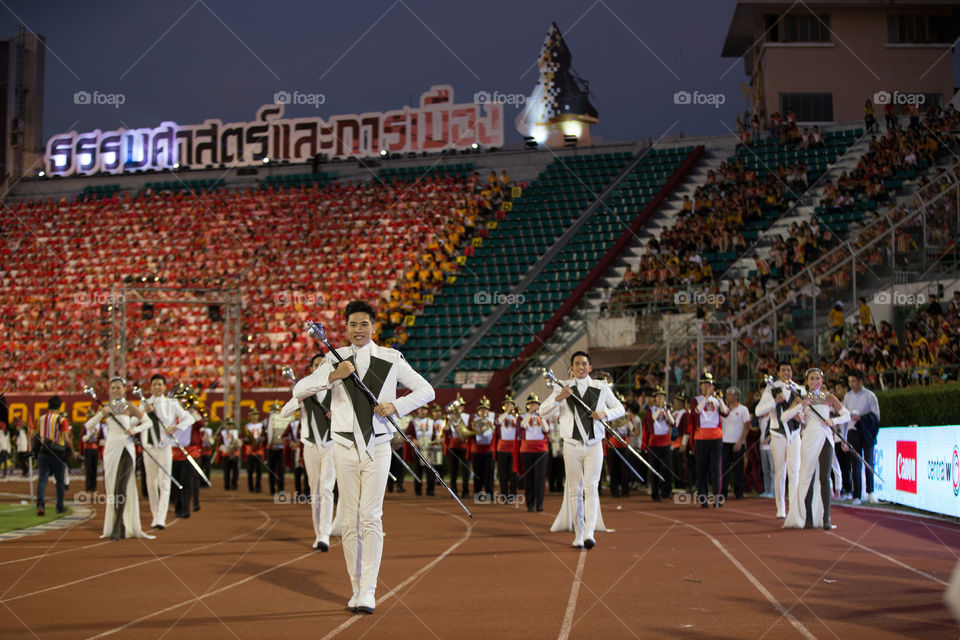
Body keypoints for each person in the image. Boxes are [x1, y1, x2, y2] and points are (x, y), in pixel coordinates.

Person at [293, 300, 434, 614]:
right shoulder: (334, 357)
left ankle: (368, 589)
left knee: (371, 516)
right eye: (353, 324)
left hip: (378, 446)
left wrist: (396, 405)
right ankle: (355, 587)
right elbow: (299, 390)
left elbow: (426, 390)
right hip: (342, 447)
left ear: (374, 326)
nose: (358, 330)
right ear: (345, 328)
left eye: (364, 324)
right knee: (348, 520)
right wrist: (333, 377)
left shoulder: (390, 357)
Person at [543, 351, 625, 549]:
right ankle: (578, 533)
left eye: (584, 364)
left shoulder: (601, 387)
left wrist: (604, 413)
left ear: (590, 368)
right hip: (571, 445)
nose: (581, 367)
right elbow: (542, 412)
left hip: (594, 445)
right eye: (577, 364)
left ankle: (589, 532)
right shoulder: (561, 387)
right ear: (571, 368)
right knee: (574, 491)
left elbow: (620, 408)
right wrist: (559, 398)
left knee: (591, 487)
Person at [284, 352, 341, 551]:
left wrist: (338, 413)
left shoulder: (337, 387)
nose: (320, 367)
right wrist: (298, 399)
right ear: (311, 369)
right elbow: (284, 413)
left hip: (331, 444)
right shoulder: (303, 388)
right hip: (310, 446)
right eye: (317, 364)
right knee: (315, 490)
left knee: (326, 488)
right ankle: (319, 533)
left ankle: (324, 534)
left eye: (324, 364)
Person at [782, 368, 850, 530]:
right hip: (809, 437)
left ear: (822, 381)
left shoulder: (829, 398)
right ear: (807, 382)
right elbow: (784, 417)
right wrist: (800, 407)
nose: (814, 381)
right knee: (807, 476)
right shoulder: (802, 398)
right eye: (811, 378)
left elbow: (846, 415)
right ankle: (808, 519)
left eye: (817, 378)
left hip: (826, 437)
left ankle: (825, 518)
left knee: (825, 477)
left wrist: (833, 422)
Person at [85, 378, 153, 539]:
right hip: (110, 450)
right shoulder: (106, 408)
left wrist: (134, 430)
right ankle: (117, 525)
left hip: (126, 449)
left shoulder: (129, 406)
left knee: (120, 488)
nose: (116, 390)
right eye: (113, 388)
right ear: (110, 390)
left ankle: (118, 527)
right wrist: (101, 414)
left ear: (124, 390)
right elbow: (88, 426)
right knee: (111, 488)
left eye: (119, 387)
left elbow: (148, 422)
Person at [139, 374, 195, 529]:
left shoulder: (172, 403)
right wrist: (144, 412)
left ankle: (160, 518)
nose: (157, 387)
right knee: (151, 483)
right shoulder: (143, 403)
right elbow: (134, 421)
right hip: (149, 448)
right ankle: (154, 514)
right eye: (154, 384)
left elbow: (189, 419)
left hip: (164, 447)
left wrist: (175, 428)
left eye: (160, 384)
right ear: (150, 387)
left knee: (164, 482)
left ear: (164, 387)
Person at [754, 362, 803, 519]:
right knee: (780, 472)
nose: (786, 372)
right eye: (783, 370)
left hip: (795, 434)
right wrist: (774, 401)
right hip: (777, 434)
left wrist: (799, 415)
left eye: (789, 369)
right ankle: (780, 507)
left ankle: (794, 507)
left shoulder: (799, 389)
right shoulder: (771, 388)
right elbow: (758, 411)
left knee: (794, 471)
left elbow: (805, 411)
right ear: (779, 372)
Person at [690, 372, 728, 508]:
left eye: (710, 384)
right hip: (701, 437)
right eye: (705, 384)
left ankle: (717, 497)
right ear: (701, 386)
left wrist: (720, 399)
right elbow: (696, 411)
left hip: (716, 436)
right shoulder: (696, 399)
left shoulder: (717, 399)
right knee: (702, 468)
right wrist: (706, 397)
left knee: (716, 468)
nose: (708, 386)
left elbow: (725, 412)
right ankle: (703, 498)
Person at [843, 370, 881, 505]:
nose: (851, 384)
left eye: (853, 381)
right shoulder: (847, 397)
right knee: (856, 464)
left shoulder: (870, 396)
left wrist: (862, 418)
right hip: (853, 432)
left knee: (869, 461)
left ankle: (870, 492)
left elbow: (876, 416)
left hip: (867, 432)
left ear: (860, 381)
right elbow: (844, 418)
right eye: (849, 381)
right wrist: (844, 437)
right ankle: (857, 494)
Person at [35, 396, 74, 516]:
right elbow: (66, 439)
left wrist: (34, 449)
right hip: (58, 453)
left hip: (43, 452)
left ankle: (40, 506)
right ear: (59, 406)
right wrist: (72, 450)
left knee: (42, 480)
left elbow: (34, 436)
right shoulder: (62, 420)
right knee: (60, 481)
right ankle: (59, 507)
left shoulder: (40, 419)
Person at [642, 387, 674, 502]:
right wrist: (660, 408)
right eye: (659, 397)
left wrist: (668, 411)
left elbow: (673, 422)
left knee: (668, 467)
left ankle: (666, 491)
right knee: (654, 469)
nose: (661, 399)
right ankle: (655, 493)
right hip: (654, 442)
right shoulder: (651, 409)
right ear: (655, 399)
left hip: (665, 441)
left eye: (663, 397)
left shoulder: (667, 409)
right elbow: (652, 419)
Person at [518, 393, 549, 512]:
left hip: (541, 450)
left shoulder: (543, 416)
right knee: (529, 477)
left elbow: (546, 429)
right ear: (527, 406)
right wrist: (530, 414)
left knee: (540, 477)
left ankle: (539, 503)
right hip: (526, 450)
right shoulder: (522, 417)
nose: (534, 406)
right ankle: (530, 503)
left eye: (536, 404)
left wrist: (541, 416)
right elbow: (523, 425)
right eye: (531, 404)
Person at [720, 387, 751, 500]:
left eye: (729, 395)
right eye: (726, 394)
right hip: (724, 442)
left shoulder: (743, 409)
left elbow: (747, 426)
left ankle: (739, 491)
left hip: (738, 442)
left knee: (738, 468)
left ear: (736, 396)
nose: (726, 397)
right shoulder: (723, 410)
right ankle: (723, 491)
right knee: (724, 468)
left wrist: (740, 441)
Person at [466, 396, 495, 500]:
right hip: (477, 450)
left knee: (489, 472)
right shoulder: (473, 420)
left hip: (488, 449)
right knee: (477, 473)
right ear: (478, 411)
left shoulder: (492, 419)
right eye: (481, 410)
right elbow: (469, 432)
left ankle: (489, 493)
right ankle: (477, 493)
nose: (484, 412)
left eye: (486, 410)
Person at [495, 395, 519, 501]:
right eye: (506, 404)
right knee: (503, 472)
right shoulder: (501, 416)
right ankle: (504, 494)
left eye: (510, 404)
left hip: (514, 447)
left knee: (513, 472)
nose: (508, 406)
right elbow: (497, 422)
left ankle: (513, 494)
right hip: (503, 447)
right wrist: (506, 412)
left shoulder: (517, 417)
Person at [265, 401, 288, 496]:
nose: (274, 412)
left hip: (281, 449)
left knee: (281, 470)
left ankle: (281, 488)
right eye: (273, 410)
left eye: (276, 410)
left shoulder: (283, 419)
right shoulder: (266, 421)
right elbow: (266, 433)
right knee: (271, 470)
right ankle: (272, 489)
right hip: (271, 449)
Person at [80, 407, 104, 491]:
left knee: (94, 468)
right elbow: (82, 438)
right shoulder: (85, 425)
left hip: (95, 449)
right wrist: (90, 435)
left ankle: (93, 487)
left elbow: (101, 438)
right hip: (88, 448)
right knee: (88, 468)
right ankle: (88, 486)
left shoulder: (99, 425)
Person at [244, 408, 265, 493]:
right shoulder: (247, 426)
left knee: (259, 470)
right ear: (250, 416)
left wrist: (262, 439)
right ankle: (251, 487)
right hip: (250, 451)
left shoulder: (261, 426)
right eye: (253, 415)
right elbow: (244, 438)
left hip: (259, 451)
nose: (255, 417)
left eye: (256, 414)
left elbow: (264, 436)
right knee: (250, 470)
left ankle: (258, 486)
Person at [218, 417, 240, 490]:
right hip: (226, 454)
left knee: (235, 471)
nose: (230, 426)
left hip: (235, 454)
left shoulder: (236, 432)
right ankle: (226, 485)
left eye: (231, 424)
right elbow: (220, 444)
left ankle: (234, 485)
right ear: (225, 425)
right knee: (226, 471)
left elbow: (240, 442)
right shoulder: (222, 433)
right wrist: (227, 450)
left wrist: (236, 445)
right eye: (228, 424)